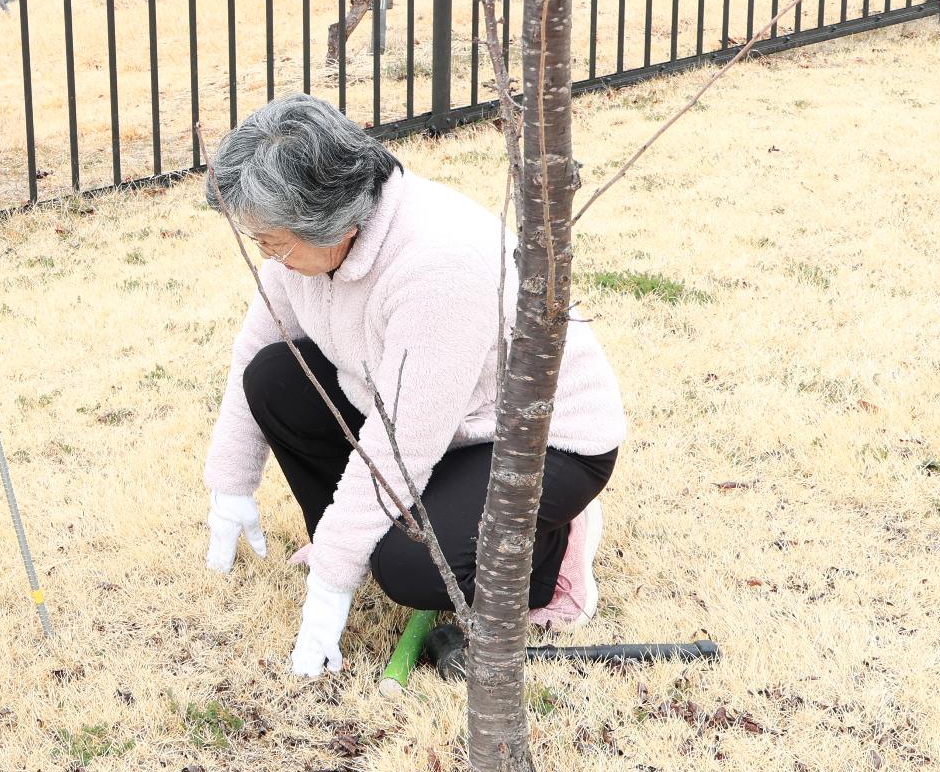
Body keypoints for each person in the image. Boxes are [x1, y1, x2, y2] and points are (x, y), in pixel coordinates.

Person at [199, 95, 628, 676]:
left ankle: (552, 554)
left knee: (413, 569)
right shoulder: (302, 248)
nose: (267, 255)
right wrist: (230, 483)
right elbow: (255, 347)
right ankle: (361, 541)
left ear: (336, 220)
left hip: (535, 441)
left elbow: (404, 443)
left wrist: (328, 591)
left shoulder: (438, 265)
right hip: (429, 418)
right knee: (275, 377)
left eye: (273, 241)